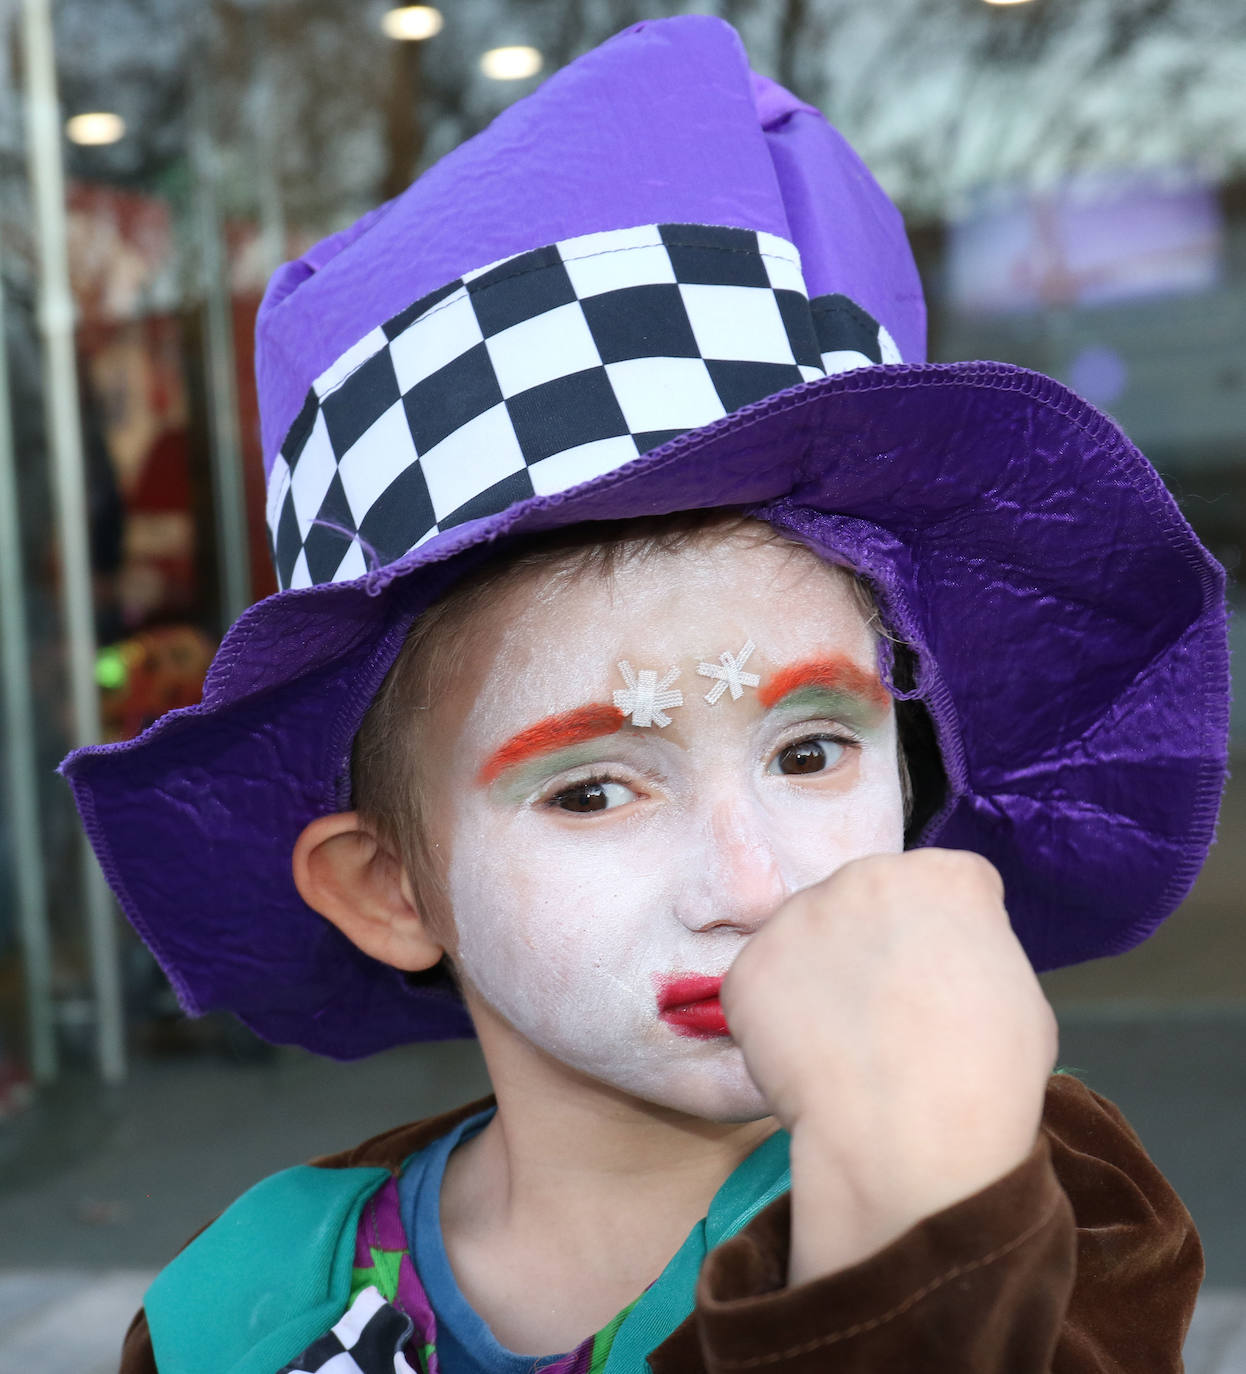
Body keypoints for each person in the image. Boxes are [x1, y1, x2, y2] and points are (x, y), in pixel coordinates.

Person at [62, 16, 1228, 1374]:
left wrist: (917, 1210)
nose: (749, 880)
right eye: (593, 787)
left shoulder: (1036, 1204)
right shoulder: (251, 1308)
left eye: (808, 749)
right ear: (391, 884)